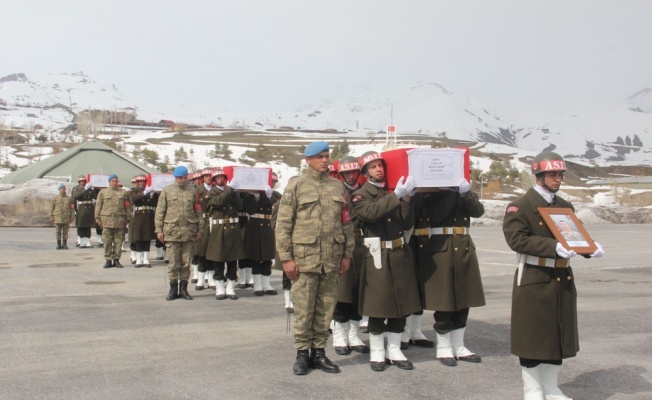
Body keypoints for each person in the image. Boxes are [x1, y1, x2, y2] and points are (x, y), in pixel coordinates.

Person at [503, 151, 605, 400]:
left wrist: (589, 249)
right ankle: (533, 389)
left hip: (561, 277)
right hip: (535, 276)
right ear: (538, 175)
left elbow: (573, 235)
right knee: (533, 335)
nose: (557, 179)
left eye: (560, 174)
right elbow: (516, 239)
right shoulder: (521, 205)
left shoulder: (564, 206)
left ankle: (550, 387)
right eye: (552, 174)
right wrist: (550, 247)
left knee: (557, 334)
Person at [275, 141, 355, 376]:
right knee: (304, 309)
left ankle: (319, 353)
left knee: (325, 309)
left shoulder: (338, 188)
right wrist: (287, 258)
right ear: (307, 160)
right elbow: (283, 225)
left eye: (326, 156)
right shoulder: (296, 186)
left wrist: (347, 254)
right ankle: (302, 354)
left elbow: (346, 223)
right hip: (304, 260)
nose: (324, 160)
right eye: (319, 157)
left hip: (331, 259)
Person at [351, 151, 421, 372]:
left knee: (400, 305)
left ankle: (394, 349)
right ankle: (377, 351)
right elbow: (371, 214)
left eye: (380, 165)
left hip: (399, 253)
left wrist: (407, 198)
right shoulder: (361, 195)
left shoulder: (393, 192)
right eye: (372, 167)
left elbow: (407, 222)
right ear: (365, 172)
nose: (378, 169)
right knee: (378, 306)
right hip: (377, 256)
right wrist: (397, 196)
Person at [412, 179, 485, 367]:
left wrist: (465, 193)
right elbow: (437, 215)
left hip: (464, 247)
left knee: (464, 298)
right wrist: (452, 192)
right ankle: (444, 347)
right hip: (441, 247)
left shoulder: (464, 192)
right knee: (444, 300)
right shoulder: (432, 194)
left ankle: (459, 345)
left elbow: (477, 211)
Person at [331, 156, 369, 356]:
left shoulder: (366, 191)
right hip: (342, 244)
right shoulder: (335, 191)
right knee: (342, 294)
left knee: (359, 293)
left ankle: (354, 336)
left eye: (354, 172)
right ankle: (339, 337)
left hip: (364, 246)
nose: (351, 176)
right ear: (341, 174)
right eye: (347, 172)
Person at [155, 166, 203, 301]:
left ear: (187, 177)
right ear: (175, 178)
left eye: (183, 178)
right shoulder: (167, 191)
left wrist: (200, 229)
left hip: (188, 231)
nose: (181, 180)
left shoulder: (193, 192)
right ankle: (173, 289)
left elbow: (198, 211)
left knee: (186, 263)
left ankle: (184, 289)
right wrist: (159, 230)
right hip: (172, 231)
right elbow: (160, 211)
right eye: (179, 178)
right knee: (173, 263)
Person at [205, 169, 245, 300]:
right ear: (214, 180)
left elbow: (240, 207)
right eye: (218, 177)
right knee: (219, 260)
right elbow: (217, 203)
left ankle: (230, 288)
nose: (221, 179)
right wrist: (230, 190)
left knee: (233, 261)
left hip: (233, 229)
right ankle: (220, 288)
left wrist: (236, 193)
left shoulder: (231, 191)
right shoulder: (212, 192)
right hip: (219, 229)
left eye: (222, 177)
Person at [242, 179, 278, 297]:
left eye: (273, 182)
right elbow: (250, 210)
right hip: (254, 227)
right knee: (255, 257)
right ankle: (257, 285)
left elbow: (276, 206)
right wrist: (255, 197)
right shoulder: (249, 195)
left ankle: (266, 285)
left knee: (267, 258)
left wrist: (268, 195)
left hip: (268, 227)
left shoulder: (274, 194)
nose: (271, 183)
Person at [95, 174, 131, 268]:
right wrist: (98, 219)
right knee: (107, 241)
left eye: (116, 181)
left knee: (118, 241)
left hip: (120, 220)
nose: (114, 183)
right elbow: (98, 206)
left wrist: (128, 218)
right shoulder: (103, 192)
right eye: (112, 181)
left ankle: (116, 259)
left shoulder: (123, 192)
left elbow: (128, 206)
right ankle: (108, 259)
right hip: (107, 220)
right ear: (109, 182)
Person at [192, 168, 214, 290]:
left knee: (212, 251)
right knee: (201, 251)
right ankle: (200, 278)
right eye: (206, 176)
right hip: (202, 221)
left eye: (210, 176)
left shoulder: (217, 189)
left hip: (214, 221)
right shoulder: (197, 191)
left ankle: (211, 278)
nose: (208, 178)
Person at [129, 175, 157, 268]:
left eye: (143, 181)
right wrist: (145, 192)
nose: (142, 183)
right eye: (139, 182)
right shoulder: (134, 191)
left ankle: (146, 259)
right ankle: (139, 259)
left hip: (149, 215)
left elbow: (155, 202)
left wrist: (153, 193)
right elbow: (135, 199)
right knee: (138, 237)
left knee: (147, 238)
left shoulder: (151, 192)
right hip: (138, 215)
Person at [70, 175, 96, 248]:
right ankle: (82, 241)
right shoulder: (76, 189)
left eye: (84, 181)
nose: (83, 182)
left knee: (88, 226)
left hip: (89, 208)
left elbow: (94, 197)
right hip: (81, 208)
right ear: (79, 182)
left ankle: (87, 241)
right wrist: (84, 189)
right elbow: (76, 197)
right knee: (81, 226)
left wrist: (93, 190)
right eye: (81, 181)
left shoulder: (89, 188)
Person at [50, 183, 73, 249]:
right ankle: (58, 244)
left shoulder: (69, 198)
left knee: (65, 232)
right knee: (58, 231)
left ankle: (65, 244)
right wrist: (51, 216)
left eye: (64, 188)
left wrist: (72, 217)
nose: (63, 189)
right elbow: (51, 208)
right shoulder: (55, 198)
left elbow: (72, 208)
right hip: (57, 217)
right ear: (59, 190)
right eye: (61, 188)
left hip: (66, 217)